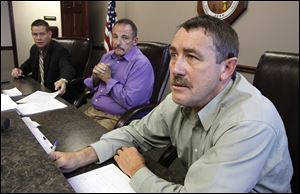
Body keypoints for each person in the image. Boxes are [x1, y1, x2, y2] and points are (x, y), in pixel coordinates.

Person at [51, 15, 293, 192]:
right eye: (175, 54)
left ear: (227, 68)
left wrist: (137, 171)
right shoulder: (181, 99)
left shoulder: (249, 123)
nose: (175, 68)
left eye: (192, 56)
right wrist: (82, 156)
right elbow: (136, 132)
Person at [83, 18, 154, 130]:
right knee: (66, 129)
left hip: (117, 119)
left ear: (135, 41)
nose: (117, 42)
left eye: (124, 38)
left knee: (84, 144)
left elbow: (131, 103)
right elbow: (91, 88)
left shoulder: (141, 64)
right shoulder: (108, 56)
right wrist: (95, 78)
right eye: (115, 36)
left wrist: (108, 80)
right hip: (93, 110)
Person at [11, 19, 75, 95]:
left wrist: (63, 80)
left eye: (42, 34)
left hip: (53, 93)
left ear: (50, 34)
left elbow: (67, 67)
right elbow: (29, 63)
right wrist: (19, 70)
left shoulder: (60, 50)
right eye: (35, 34)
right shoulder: (34, 49)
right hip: (37, 91)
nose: (38, 38)